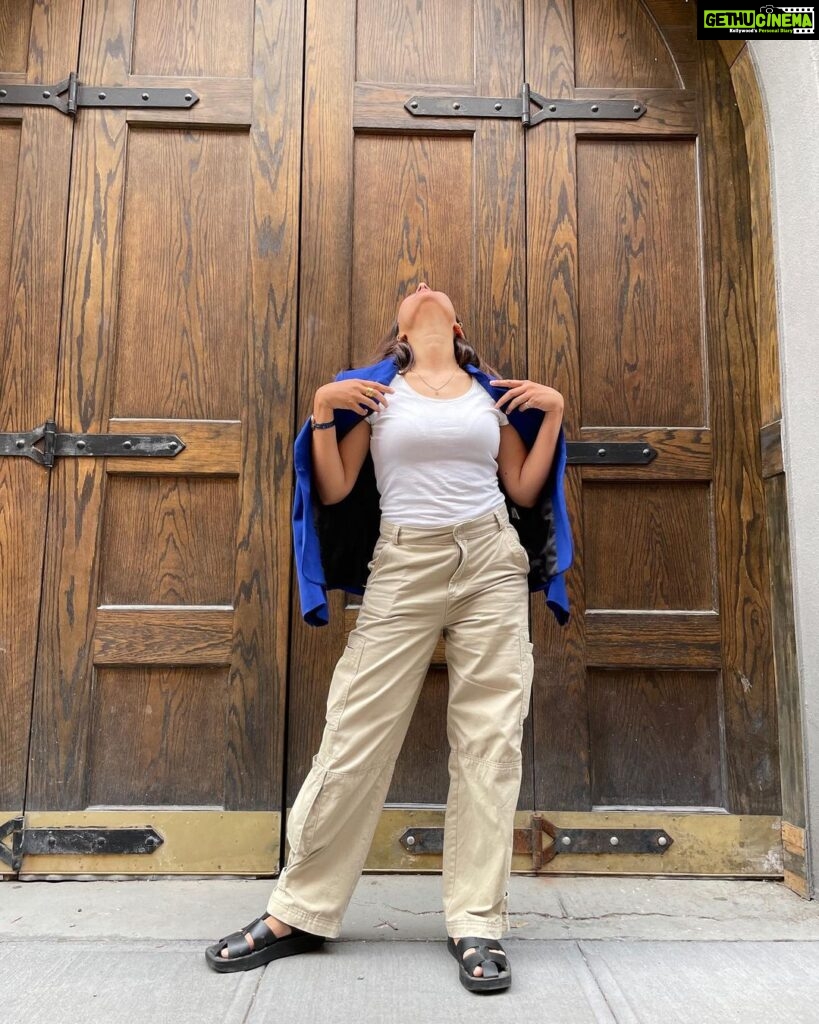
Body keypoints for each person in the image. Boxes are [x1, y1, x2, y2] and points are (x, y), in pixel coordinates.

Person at [206, 282, 566, 993]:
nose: (424, 286)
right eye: (410, 293)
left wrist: (552, 411)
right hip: (404, 563)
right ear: (400, 331)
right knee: (354, 731)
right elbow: (334, 491)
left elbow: (524, 491)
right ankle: (298, 910)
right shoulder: (373, 396)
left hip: (491, 559)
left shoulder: (492, 397)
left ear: (454, 325)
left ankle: (476, 921)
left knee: (490, 742)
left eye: (436, 292)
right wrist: (318, 412)